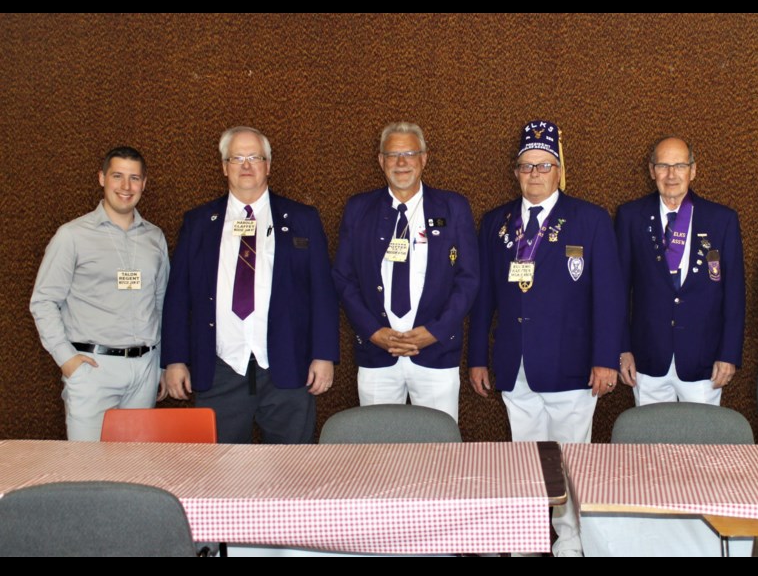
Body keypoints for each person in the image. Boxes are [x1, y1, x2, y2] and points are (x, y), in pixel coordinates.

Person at [468, 120, 624, 556]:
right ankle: (528, 541)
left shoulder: (589, 219)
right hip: (514, 367)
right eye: (526, 166)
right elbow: (484, 299)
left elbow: (608, 297)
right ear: (515, 172)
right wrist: (478, 357)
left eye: (544, 165)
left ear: (559, 170)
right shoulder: (495, 222)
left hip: (573, 367)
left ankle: (572, 545)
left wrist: (605, 359)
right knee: (526, 465)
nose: (534, 174)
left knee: (572, 466)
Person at [162, 126, 339, 444]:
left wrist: (324, 355)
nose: (246, 165)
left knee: (292, 472)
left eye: (254, 157)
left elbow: (322, 293)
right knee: (221, 473)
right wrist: (175, 360)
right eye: (237, 158)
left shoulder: (302, 218)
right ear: (224, 166)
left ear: (268, 165)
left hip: (288, 368)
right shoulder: (199, 223)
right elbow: (178, 296)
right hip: (220, 369)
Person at [333, 122, 478, 421]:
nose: (401, 163)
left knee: (439, 450)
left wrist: (434, 332)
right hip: (377, 355)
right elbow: (344, 278)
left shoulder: (453, 207)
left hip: (436, 353)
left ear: (424, 158)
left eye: (410, 153)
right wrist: (374, 332)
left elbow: (468, 278)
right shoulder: (359, 209)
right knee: (378, 451)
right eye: (393, 154)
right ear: (381, 160)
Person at [31, 147, 169, 441]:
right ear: (102, 178)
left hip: (144, 369)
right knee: (89, 470)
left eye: (134, 178)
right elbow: (44, 301)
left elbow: (160, 303)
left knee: (136, 470)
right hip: (92, 368)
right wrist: (66, 359)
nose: (126, 186)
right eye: (117, 176)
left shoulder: (155, 237)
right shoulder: (72, 236)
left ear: (144, 183)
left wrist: (159, 364)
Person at [616, 137, 745, 406]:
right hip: (647, 358)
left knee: (700, 444)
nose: (671, 175)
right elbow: (618, 292)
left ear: (693, 170)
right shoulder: (630, 217)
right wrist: (622, 349)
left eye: (680, 165)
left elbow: (734, 294)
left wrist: (729, 354)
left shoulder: (722, 220)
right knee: (650, 445)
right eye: (663, 165)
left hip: (704, 360)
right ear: (652, 171)